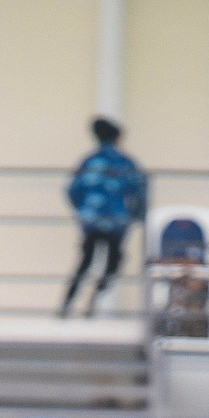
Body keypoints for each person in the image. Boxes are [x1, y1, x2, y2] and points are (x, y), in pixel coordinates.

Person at [59, 117, 145, 318]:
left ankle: (66, 306)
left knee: (85, 262)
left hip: (92, 222)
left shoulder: (90, 161)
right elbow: (139, 190)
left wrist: (84, 212)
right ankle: (93, 301)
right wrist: (135, 216)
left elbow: (73, 190)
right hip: (116, 222)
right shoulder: (125, 162)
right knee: (113, 263)